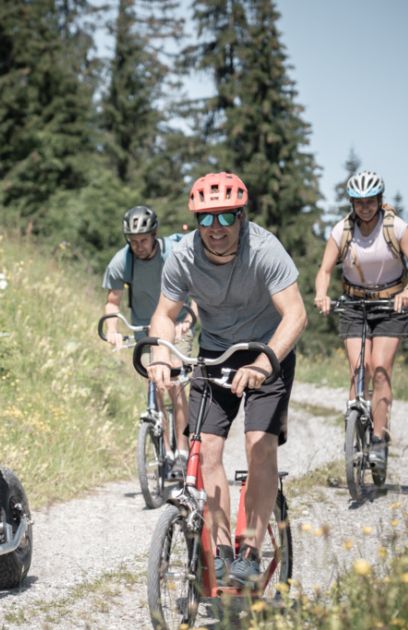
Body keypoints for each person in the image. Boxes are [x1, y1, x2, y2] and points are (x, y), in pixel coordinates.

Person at [146, 172, 307, 586]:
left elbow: (296, 314)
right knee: (207, 452)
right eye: (206, 220)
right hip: (215, 353)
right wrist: (161, 354)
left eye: (224, 219)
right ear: (195, 221)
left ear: (241, 216)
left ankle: (251, 551)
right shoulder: (183, 256)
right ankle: (220, 550)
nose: (215, 230)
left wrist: (264, 364)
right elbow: (165, 315)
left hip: (266, 353)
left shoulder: (265, 249)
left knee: (258, 447)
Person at [313, 169, 408, 468]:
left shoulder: (397, 228)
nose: (364, 207)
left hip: (390, 305)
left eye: (370, 201)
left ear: (379, 200)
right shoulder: (342, 231)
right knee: (358, 366)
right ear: (352, 203)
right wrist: (322, 295)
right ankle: (353, 425)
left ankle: (378, 438)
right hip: (354, 303)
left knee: (379, 368)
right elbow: (325, 270)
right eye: (358, 202)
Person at [102, 205, 194, 475]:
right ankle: (164, 452)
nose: (138, 246)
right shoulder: (122, 261)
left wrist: (188, 321)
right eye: (132, 241)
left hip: (177, 325)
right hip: (146, 331)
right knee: (156, 385)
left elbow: (196, 288)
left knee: (175, 383)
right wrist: (112, 330)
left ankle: (182, 451)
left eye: (143, 240)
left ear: (154, 234)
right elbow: (112, 302)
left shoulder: (173, 253)